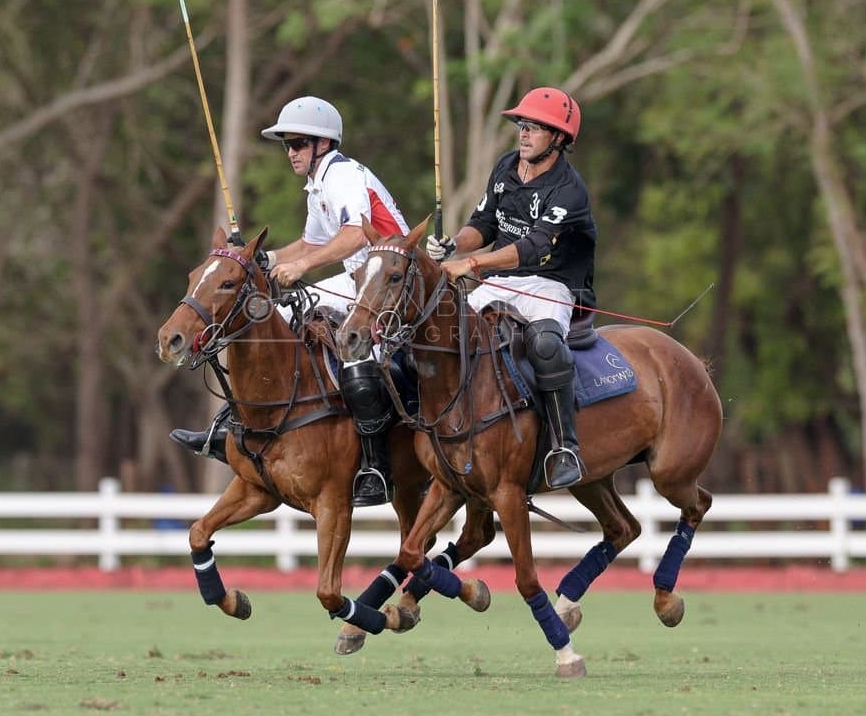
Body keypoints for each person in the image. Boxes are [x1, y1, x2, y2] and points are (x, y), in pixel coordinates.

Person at [171, 95, 410, 507]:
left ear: (323, 144)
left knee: (346, 353)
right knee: (267, 321)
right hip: (355, 282)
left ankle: (375, 463)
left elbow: (356, 234)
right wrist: (261, 259)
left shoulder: (344, 176)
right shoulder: (317, 186)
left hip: (388, 283)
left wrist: (300, 269)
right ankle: (229, 428)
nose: (291, 152)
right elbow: (309, 243)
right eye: (287, 144)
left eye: (298, 143)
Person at [426, 87, 596, 489]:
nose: (524, 133)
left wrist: (470, 263)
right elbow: (482, 224)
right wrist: (454, 244)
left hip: (551, 284)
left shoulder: (569, 190)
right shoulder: (506, 167)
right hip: (499, 280)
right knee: (439, 328)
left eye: (536, 127)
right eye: (523, 124)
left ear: (559, 139)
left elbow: (532, 247)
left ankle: (563, 445)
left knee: (546, 346)